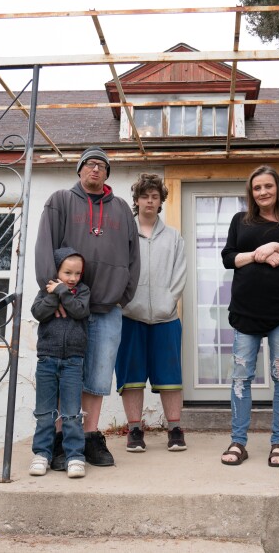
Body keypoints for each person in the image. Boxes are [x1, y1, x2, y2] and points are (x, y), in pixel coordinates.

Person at [34, 146, 140, 470]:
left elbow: (134, 257)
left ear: (107, 173)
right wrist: (54, 296)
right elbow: (44, 248)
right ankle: (61, 439)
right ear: (79, 170)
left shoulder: (122, 208)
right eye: (90, 165)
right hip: (67, 308)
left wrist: (124, 296)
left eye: (102, 166)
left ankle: (90, 437)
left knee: (97, 375)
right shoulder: (60, 201)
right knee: (65, 373)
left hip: (108, 307)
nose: (96, 169)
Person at [219, 166, 279, 467]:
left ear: (277, 187)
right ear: (251, 192)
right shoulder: (239, 220)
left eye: (268, 186)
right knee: (241, 377)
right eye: (257, 188)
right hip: (246, 310)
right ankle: (238, 441)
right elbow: (229, 257)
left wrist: (276, 246)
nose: (263, 192)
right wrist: (260, 253)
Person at [115, 174, 188, 453]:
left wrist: (168, 302)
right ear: (136, 201)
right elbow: (116, 271)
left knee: (170, 377)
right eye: (144, 196)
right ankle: (135, 430)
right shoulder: (124, 235)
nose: (149, 200)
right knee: (131, 377)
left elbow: (179, 275)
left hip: (165, 318)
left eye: (154, 196)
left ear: (160, 202)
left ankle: (175, 429)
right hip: (129, 318)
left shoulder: (173, 238)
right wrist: (123, 303)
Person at [29, 248, 90, 479]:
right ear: (57, 271)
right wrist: (54, 294)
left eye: (77, 273)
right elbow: (38, 313)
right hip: (47, 359)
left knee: (72, 412)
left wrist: (63, 290)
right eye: (67, 273)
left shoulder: (82, 292)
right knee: (45, 411)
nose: (73, 278)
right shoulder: (45, 291)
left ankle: (75, 456)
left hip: (73, 361)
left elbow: (79, 310)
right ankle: (42, 454)